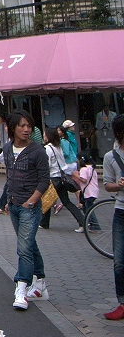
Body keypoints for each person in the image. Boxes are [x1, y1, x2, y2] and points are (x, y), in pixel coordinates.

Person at [1, 110, 50, 310]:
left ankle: (22, 288)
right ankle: (41, 286)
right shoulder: (7, 149)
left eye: (29, 126)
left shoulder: (38, 151)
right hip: (14, 205)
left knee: (23, 248)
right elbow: (9, 176)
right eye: (22, 125)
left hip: (29, 207)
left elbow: (44, 180)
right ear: (13, 128)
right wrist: (7, 200)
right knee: (29, 245)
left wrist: (31, 202)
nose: (26, 129)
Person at [40, 128, 85, 233]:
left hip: (52, 178)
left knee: (47, 200)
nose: (44, 137)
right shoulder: (58, 147)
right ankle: (82, 221)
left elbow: (47, 165)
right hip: (61, 178)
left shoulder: (47, 149)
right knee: (66, 202)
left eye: (45, 135)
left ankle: (44, 223)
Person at [101, 115, 124, 320]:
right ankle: (122, 303)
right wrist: (119, 185)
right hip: (121, 212)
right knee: (119, 261)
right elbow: (107, 185)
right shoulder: (111, 157)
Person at [76, 152, 101, 232]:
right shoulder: (92, 168)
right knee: (85, 208)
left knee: (89, 209)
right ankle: (90, 224)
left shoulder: (83, 169)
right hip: (94, 191)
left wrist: (76, 175)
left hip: (88, 192)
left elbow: (84, 179)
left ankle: (95, 226)